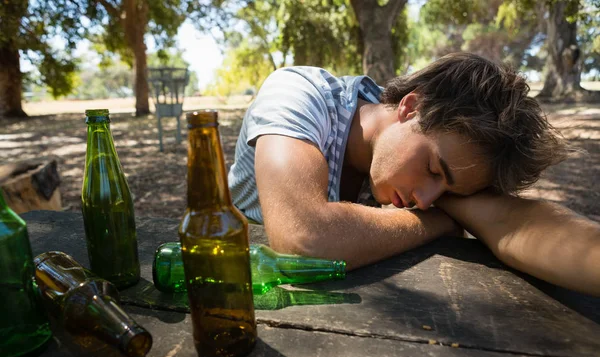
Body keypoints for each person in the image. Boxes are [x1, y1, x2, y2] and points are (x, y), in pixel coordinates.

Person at [227, 52, 600, 296]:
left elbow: (519, 224)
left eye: (444, 192)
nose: (425, 199)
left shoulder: (435, 165)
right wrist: (437, 222)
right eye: (433, 170)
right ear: (411, 107)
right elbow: (303, 240)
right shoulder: (297, 94)